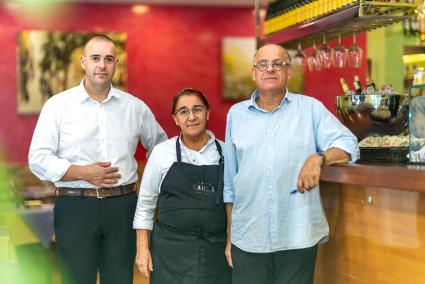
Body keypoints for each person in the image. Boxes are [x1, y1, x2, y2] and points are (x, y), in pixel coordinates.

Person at [28, 34, 167, 284]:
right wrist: (82, 172)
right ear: (83, 62)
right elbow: (37, 158)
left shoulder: (134, 107)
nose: (102, 65)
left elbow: (161, 149)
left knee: (120, 279)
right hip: (75, 208)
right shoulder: (58, 106)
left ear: (115, 64)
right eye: (95, 58)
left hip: (123, 207)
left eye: (109, 59)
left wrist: (148, 191)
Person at [223, 44, 359, 284]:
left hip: (298, 234)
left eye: (278, 63)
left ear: (289, 72)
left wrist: (319, 158)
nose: (270, 69)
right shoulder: (236, 114)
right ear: (254, 73)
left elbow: (349, 144)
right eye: (262, 64)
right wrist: (230, 236)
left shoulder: (310, 109)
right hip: (248, 236)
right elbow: (231, 184)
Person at [133, 88, 232, 283]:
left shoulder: (227, 153)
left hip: (216, 252)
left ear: (208, 113)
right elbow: (145, 205)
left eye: (197, 109)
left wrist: (231, 241)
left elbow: (236, 205)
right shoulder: (162, 153)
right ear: (176, 119)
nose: (191, 117)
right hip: (170, 254)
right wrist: (142, 249)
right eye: (183, 111)